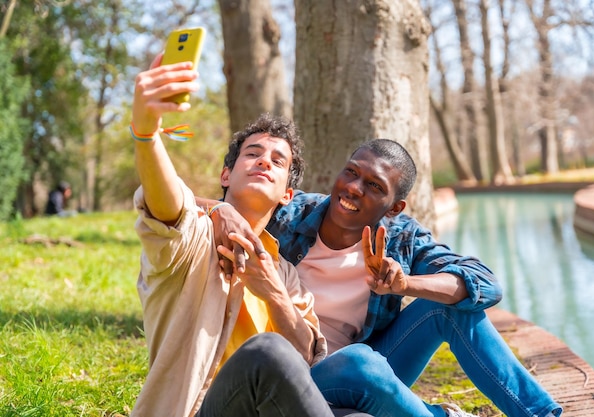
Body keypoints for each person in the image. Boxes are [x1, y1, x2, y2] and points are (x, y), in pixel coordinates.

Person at [202, 139, 563, 417]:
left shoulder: (402, 238)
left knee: (447, 310)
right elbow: (180, 207)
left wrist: (407, 284)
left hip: (365, 371)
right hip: (287, 374)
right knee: (362, 361)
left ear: (394, 208)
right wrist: (222, 209)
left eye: (374, 186)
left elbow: (484, 283)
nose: (354, 188)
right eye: (352, 172)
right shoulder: (291, 215)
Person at [129, 53, 348, 417]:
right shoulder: (192, 239)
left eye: (279, 161)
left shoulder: (284, 274)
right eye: (253, 153)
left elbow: (310, 358)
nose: (265, 161)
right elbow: (166, 203)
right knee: (268, 352)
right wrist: (146, 132)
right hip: (200, 410)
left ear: (286, 196)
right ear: (226, 175)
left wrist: (274, 294)